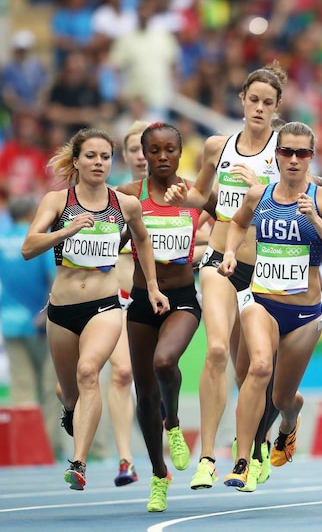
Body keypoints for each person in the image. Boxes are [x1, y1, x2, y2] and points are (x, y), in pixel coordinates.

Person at [21, 128, 169, 490]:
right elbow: (28, 247)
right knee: (70, 391)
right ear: (77, 161)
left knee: (90, 372)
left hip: (104, 306)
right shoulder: (58, 201)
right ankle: (70, 408)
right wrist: (65, 232)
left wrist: (151, 285)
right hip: (62, 310)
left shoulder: (124, 204)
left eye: (105, 157)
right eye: (91, 156)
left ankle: (79, 463)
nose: (99, 162)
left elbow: (143, 240)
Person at [165, 61, 286, 490]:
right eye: (252, 100)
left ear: (277, 108)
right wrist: (184, 195)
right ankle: (207, 457)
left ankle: (252, 447)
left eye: (267, 103)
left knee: (253, 367)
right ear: (241, 101)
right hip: (219, 259)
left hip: (265, 268)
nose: (258, 108)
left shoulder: (284, 151)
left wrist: (262, 187)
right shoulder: (218, 145)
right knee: (216, 349)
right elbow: (202, 193)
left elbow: (300, 202)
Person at [218, 121, 322, 491]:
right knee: (257, 368)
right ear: (276, 154)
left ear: (311, 157)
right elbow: (236, 224)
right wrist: (230, 252)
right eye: (287, 152)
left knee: (281, 396)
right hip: (261, 301)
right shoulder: (258, 194)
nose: (294, 160)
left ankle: (289, 421)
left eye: (303, 153)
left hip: (304, 313)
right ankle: (242, 460)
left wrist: (315, 220)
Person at [116, 122, 203, 511]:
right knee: (146, 393)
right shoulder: (129, 196)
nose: (163, 157)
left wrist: (219, 252)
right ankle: (157, 474)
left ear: (180, 154)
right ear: (144, 155)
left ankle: (174, 424)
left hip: (182, 297)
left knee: (165, 361)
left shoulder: (192, 194)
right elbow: (109, 238)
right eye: (154, 150)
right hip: (140, 300)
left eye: (170, 150)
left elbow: (239, 219)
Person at [106, 120, 149, 488]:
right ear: (126, 155)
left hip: (160, 298)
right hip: (117, 299)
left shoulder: (179, 194)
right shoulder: (115, 196)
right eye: (134, 148)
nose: (141, 155)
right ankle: (125, 460)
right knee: (121, 373)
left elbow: (205, 243)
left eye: (147, 147)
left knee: (156, 374)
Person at [0, 196, 60, 456]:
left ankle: (25, 450)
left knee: (22, 389)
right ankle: (47, 449)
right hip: (40, 323)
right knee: (49, 389)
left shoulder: (1, 240)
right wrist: (45, 312)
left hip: (10, 323)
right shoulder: (39, 238)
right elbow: (55, 278)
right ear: (31, 212)